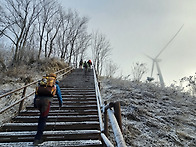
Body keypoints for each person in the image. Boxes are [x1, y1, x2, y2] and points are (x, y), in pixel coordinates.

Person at [33, 73, 63, 145]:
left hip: (38, 102)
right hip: (46, 103)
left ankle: (39, 133)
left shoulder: (42, 83)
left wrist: (35, 103)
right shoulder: (55, 85)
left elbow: (36, 93)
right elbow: (59, 95)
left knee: (41, 117)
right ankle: (37, 139)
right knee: (43, 119)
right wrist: (60, 103)